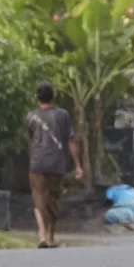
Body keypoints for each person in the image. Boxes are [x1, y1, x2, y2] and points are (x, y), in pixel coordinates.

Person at [26, 81, 83, 249]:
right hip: (57, 163)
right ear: (53, 97)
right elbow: (71, 141)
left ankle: (41, 234)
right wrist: (78, 165)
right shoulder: (63, 115)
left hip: (37, 162)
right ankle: (50, 237)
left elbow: (30, 141)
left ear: (37, 97)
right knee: (53, 200)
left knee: (38, 199)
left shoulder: (31, 117)